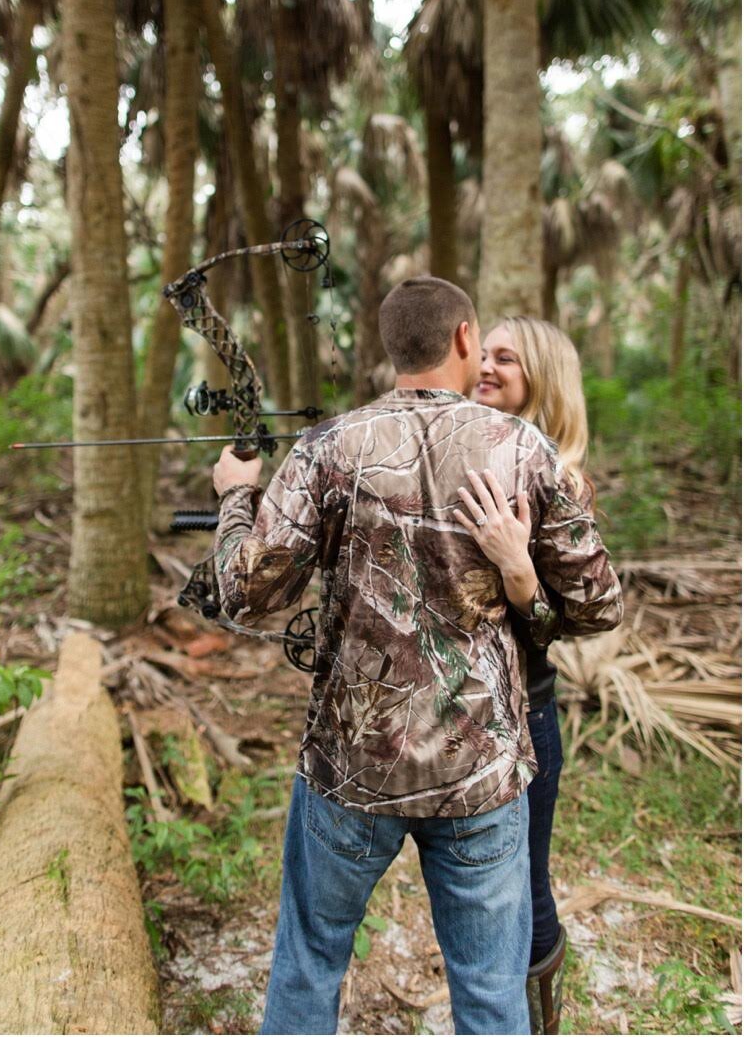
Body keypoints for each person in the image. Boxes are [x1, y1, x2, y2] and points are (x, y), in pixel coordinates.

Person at [208, 277, 623, 1035]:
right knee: (491, 998)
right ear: (464, 337)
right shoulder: (526, 449)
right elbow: (599, 604)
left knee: (308, 967)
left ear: (389, 346)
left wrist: (238, 494)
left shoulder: (328, 446)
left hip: (351, 768)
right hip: (480, 778)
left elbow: (244, 594)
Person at [460, 316, 595, 1034]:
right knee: (481, 896)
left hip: (527, 714)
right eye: (483, 352)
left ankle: (538, 1019)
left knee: (522, 887)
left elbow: (563, 626)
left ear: (540, 375)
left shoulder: (560, 476)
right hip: (461, 715)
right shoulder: (469, 454)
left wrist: (519, 573)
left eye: (505, 357)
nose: (486, 366)